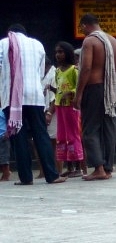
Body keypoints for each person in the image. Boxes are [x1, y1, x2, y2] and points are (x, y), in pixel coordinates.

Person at [0, 24, 65, 185]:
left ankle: (26, 177)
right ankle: (52, 175)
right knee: (41, 133)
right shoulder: (37, 44)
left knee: (19, 136)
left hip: (11, 98)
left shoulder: (3, 44)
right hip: (35, 95)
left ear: (11, 33)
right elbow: (41, 70)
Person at [74, 13, 116, 181]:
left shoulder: (90, 41)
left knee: (90, 129)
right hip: (112, 90)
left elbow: (86, 68)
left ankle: (98, 168)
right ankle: (108, 168)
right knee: (109, 129)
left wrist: (78, 94)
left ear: (85, 26)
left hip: (93, 89)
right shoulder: (114, 41)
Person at [53, 42, 86, 178]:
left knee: (73, 135)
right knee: (62, 136)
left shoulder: (74, 70)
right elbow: (59, 89)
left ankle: (78, 167)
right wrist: (52, 89)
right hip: (60, 106)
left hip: (71, 107)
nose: (58, 55)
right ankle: (69, 166)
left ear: (67, 53)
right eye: (57, 52)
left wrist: (70, 92)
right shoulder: (57, 71)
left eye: (61, 52)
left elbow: (79, 86)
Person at [40, 55, 57, 178]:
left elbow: (56, 97)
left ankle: (56, 169)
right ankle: (43, 171)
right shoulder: (41, 75)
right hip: (42, 110)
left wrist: (50, 113)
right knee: (39, 141)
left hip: (52, 112)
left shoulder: (54, 73)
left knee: (53, 141)